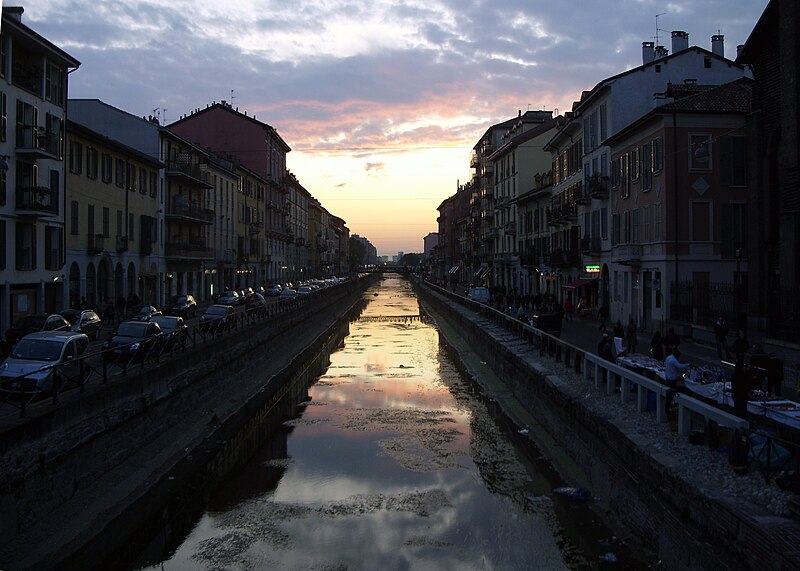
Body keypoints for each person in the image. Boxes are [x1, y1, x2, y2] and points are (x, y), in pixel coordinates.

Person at [664, 348, 691, 412]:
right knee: (671, 393)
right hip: (672, 379)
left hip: (667, 377)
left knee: (669, 393)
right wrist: (687, 364)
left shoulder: (668, 358)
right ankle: (670, 407)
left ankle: (668, 407)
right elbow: (680, 366)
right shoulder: (673, 360)